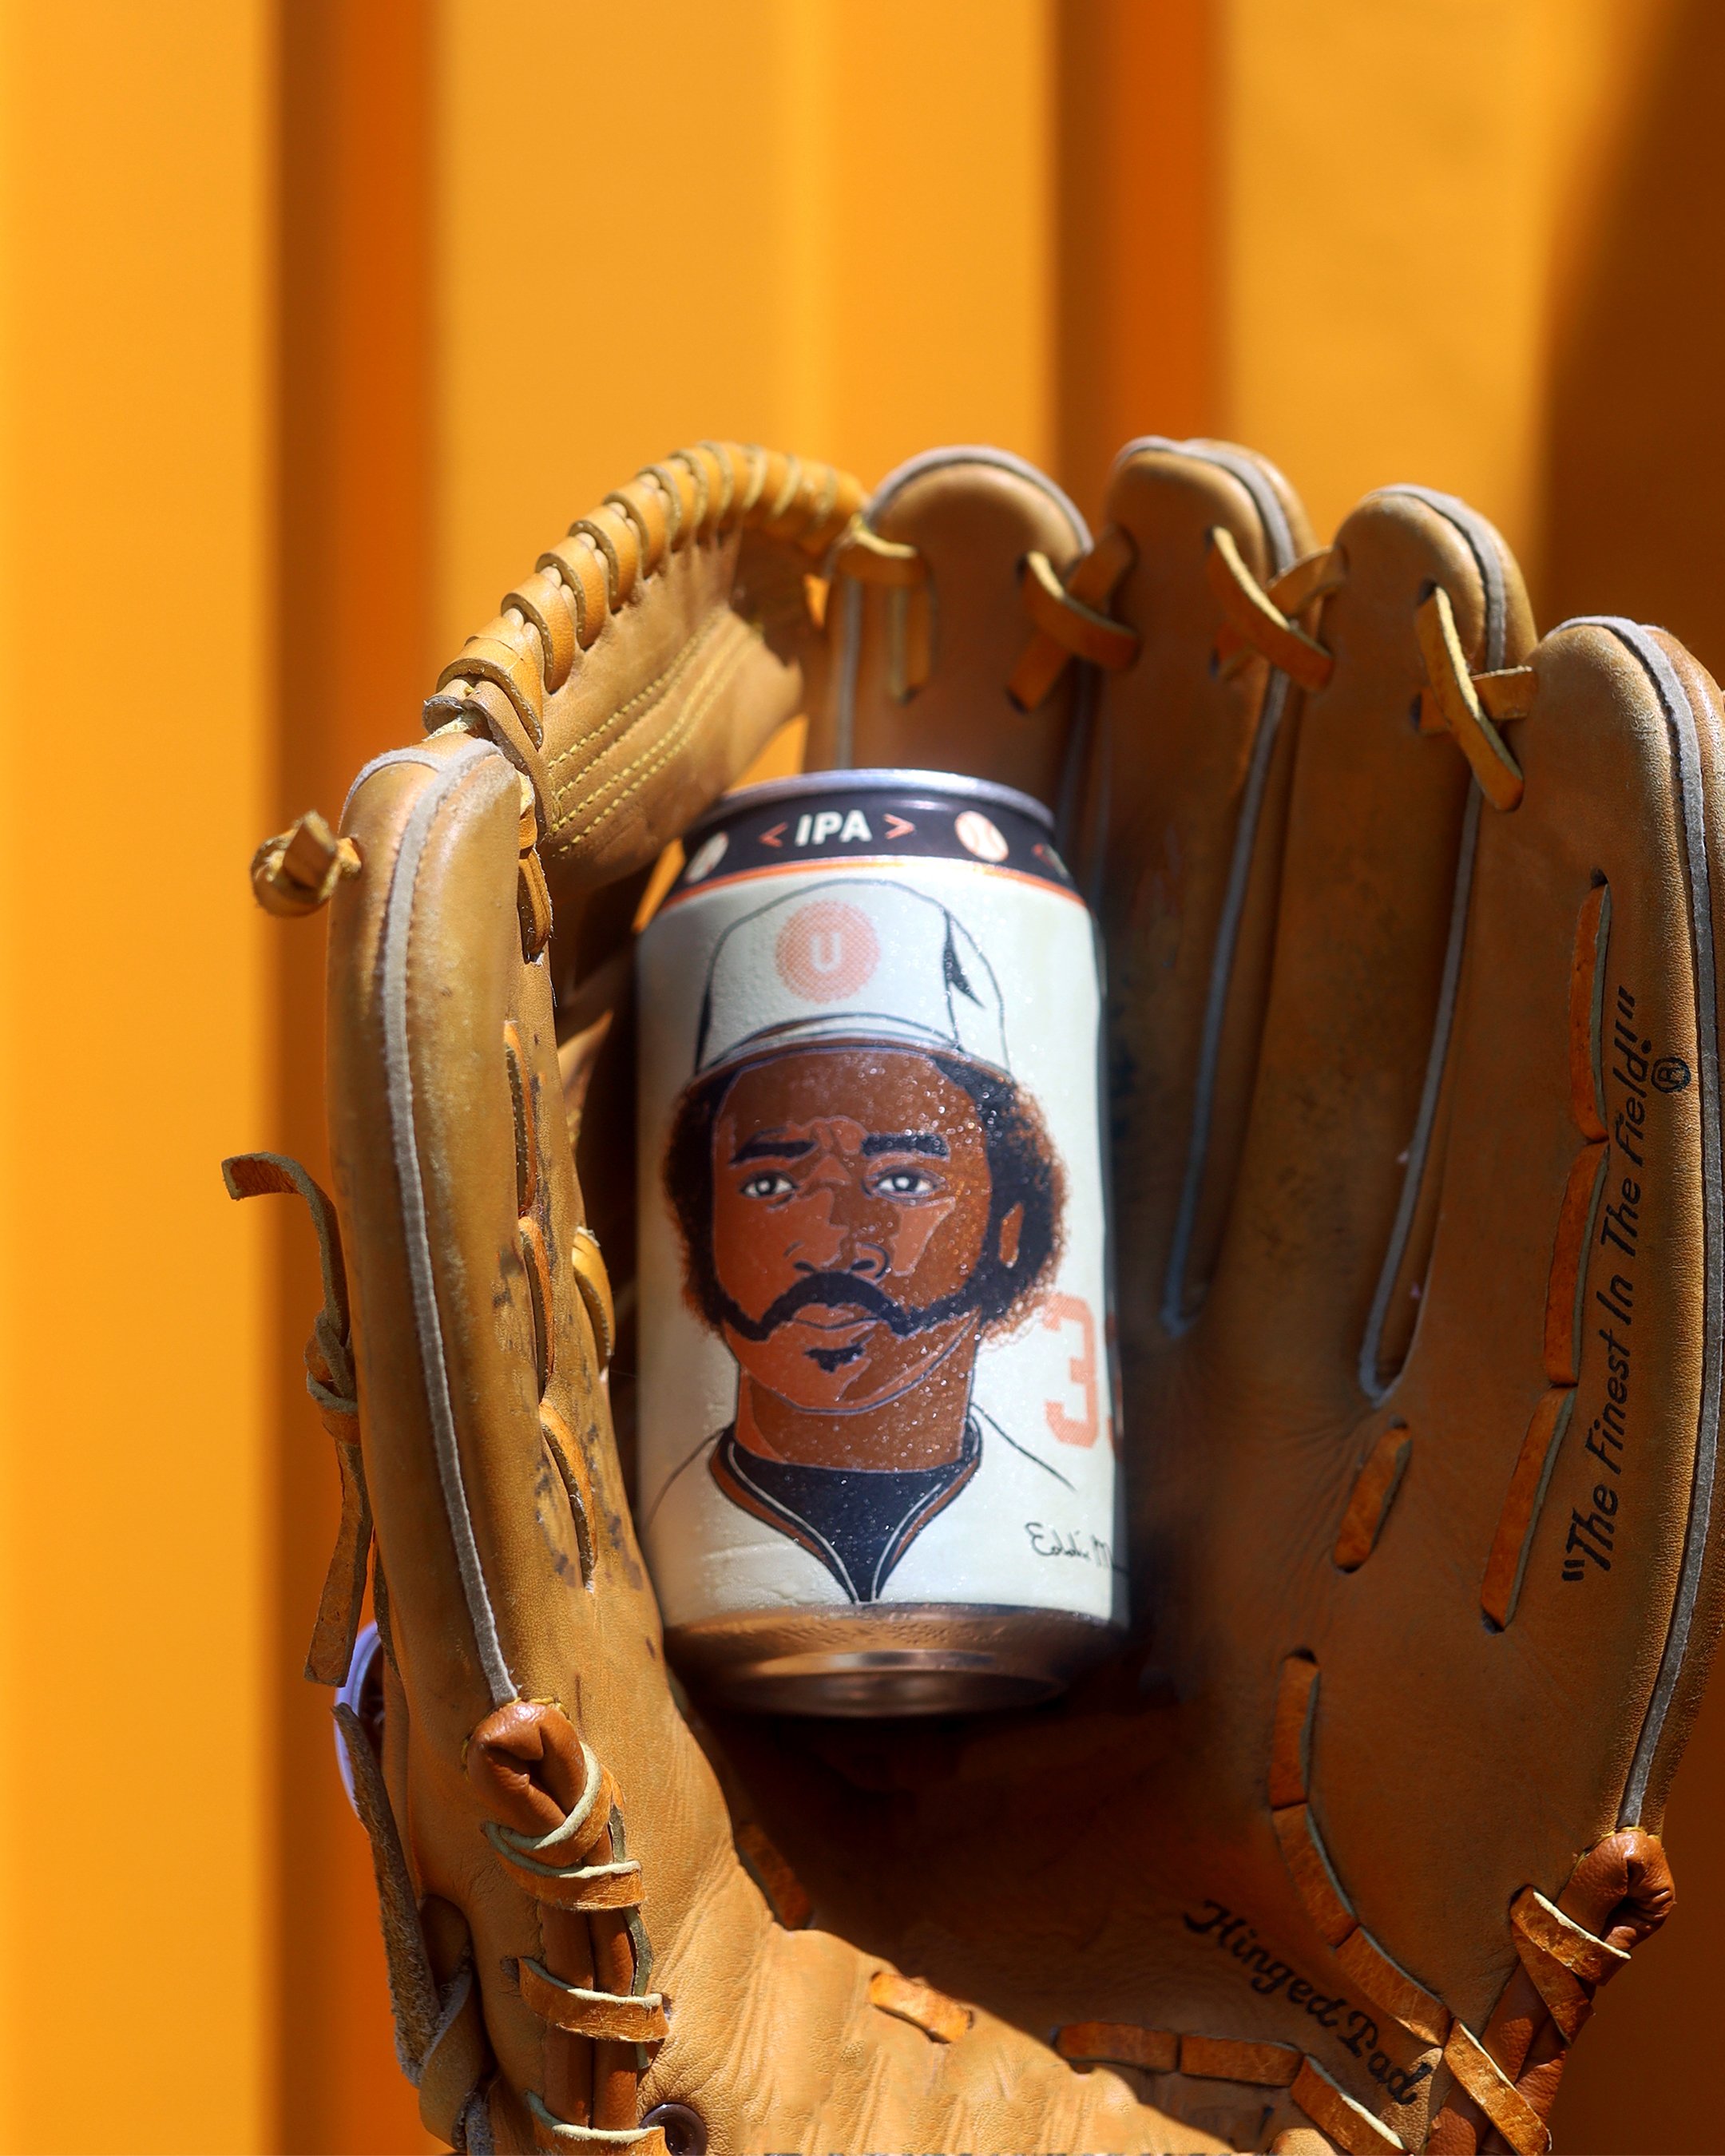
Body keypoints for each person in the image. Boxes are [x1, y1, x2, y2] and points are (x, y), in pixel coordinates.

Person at [647, 878, 1078, 1603]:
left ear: (1008, 1229)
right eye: (769, 1186)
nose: (829, 1245)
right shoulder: (636, 1545)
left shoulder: (1054, 1534)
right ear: (701, 1231)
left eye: (903, 1182)